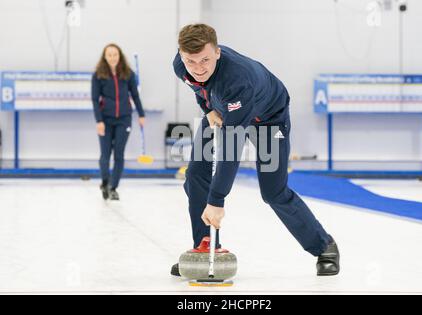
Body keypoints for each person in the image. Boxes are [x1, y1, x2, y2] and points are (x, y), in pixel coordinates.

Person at [170, 24, 340, 277]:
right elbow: (198, 87)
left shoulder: (239, 79)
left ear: (217, 52)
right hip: (222, 109)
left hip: (268, 119)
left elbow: (231, 146)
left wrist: (217, 200)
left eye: (204, 59)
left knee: (273, 192)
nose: (198, 68)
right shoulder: (182, 65)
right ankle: (206, 249)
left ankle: (324, 246)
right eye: (190, 61)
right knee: (195, 174)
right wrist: (208, 110)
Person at [92, 43, 145, 201]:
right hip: (105, 119)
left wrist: (141, 114)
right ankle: (105, 182)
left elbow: (135, 96)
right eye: (109, 55)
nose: (113, 58)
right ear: (105, 57)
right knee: (105, 154)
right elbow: (95, 100)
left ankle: (113, 187)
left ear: (120, 56)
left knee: (119, 154)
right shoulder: (98, 75)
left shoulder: (128, 74)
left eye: (115, 54)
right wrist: (99, 121)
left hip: (124, 118)